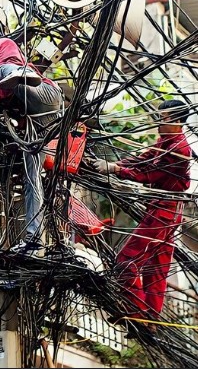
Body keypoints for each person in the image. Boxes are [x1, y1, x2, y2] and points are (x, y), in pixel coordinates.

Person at [0, 14, 63, 255]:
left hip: (44, 97)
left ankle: (19, 76)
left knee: (7, 69)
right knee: (31, 178)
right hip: (36, 124)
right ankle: (33, 239)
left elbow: (2, 68)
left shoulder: (3, 45)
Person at [93, 99, 191, 335]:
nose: (158, 122)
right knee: (156, 269)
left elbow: (148, 173)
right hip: (164, 209)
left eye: (163, 118)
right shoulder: (166, 141)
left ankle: (136, 314)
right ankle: (151, 321)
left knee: (126, 262)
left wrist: (115, 170)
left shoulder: (179, 149)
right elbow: (143, 160)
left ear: (177, 122)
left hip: (164, 212)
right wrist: (116, 164)